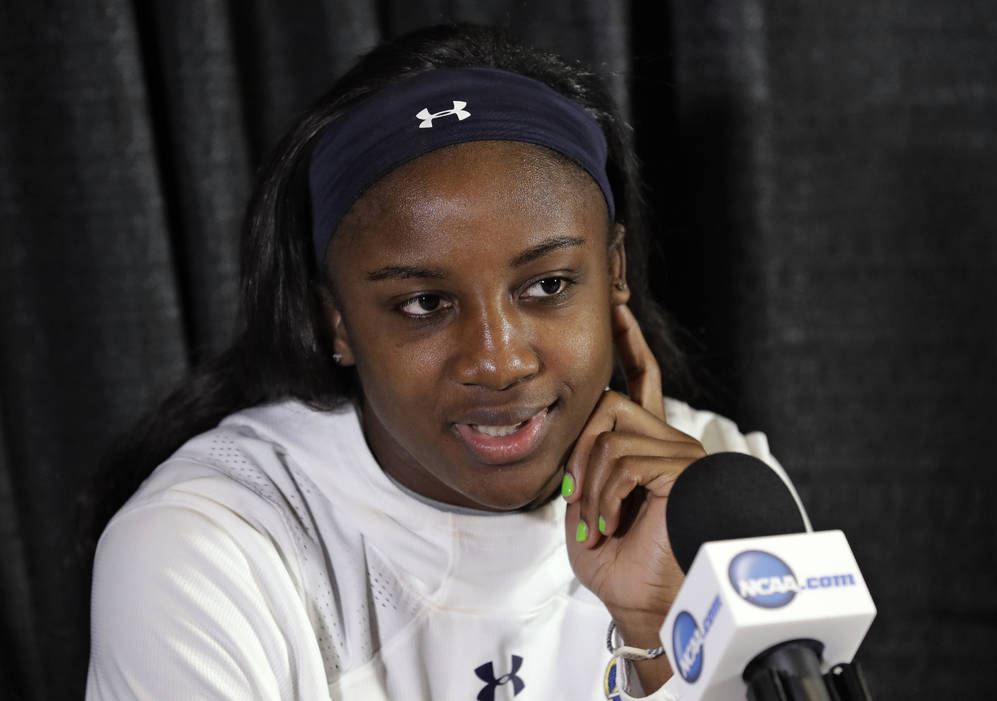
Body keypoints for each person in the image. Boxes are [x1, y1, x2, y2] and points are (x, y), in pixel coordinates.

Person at [85, 23, 807, 700]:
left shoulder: (717, 490)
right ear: (334, 320)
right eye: (424, 303)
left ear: (614, 272)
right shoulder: (205, 549)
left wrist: (662, 635)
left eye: (547, 285)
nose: (497, 361)